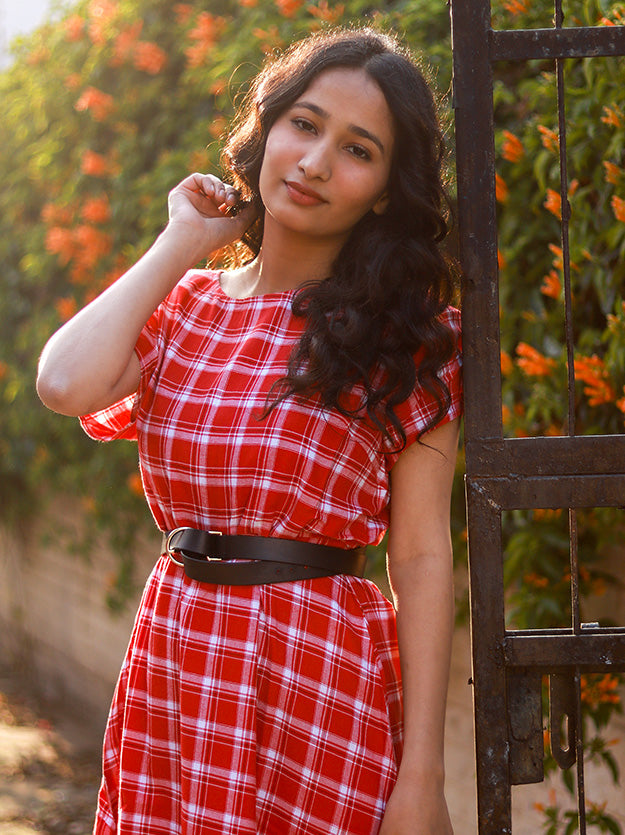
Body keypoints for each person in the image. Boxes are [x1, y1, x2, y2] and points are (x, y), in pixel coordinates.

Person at [36, 25, 462, 835]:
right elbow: (63, 383)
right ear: (266, 130)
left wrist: (422, 779)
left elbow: (418, 554)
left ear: (382, 189)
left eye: (357, 148)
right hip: (179, 663)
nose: (312, 162)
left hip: (320, 677)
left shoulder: (407, 336)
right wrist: (183, 240)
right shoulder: (186, 307)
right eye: (303, 124)